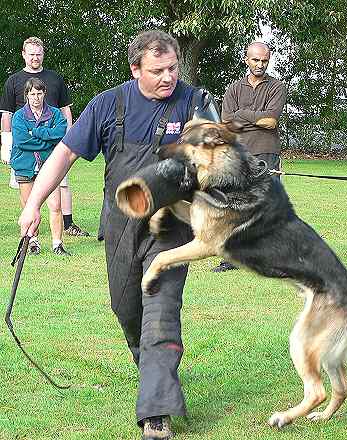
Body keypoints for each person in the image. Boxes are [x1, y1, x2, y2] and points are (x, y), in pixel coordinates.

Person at [18, 30, 220, 439]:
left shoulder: (195, 101)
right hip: (121, 226)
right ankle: (153, 373)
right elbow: (66, 153)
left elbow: (218, 153)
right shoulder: (109, 105)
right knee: (127, 309)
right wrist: (34, 202)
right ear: (135, 70)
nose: (168, 77)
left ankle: (155, 414)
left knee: (160, 310)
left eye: (173, 68)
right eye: (157, 70)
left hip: (172, 225)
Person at [1, 36, 90, 237]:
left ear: (43, 54)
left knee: (61, 186)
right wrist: (6, 144)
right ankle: (33, 237)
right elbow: (7, 114)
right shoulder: (13, 81)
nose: (35, 57)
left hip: (55, 148)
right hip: (25, 148)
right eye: (31, 54)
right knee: (27, 191)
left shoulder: (55, 78)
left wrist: (70, 138)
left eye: (38, 54)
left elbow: (65, 110)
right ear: (24, 55)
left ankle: (68, 226)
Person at [215, 41, 288, 272]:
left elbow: (271, 122)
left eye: (264, 60)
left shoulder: (277, 87)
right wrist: (255, 119)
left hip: (267, 152)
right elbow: (227, 124)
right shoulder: (233, 89)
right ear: (246, 59)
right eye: (255, 60)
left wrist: (242, 114)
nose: (260, 64)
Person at [11, 78, 69, 255]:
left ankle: (57, 244)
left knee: (56, 205)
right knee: (29, 206)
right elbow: (21, 141)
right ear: (26, 95)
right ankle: (32, 242)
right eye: (32, 94)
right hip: (25, 165)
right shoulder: (19, 116)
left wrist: (35, 132)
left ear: (44, 93)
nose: (36, 98)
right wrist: (47, 142)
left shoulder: (55, 114)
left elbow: (60, 134)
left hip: (49, 165)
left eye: (39, 93)